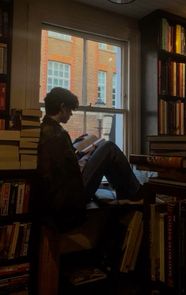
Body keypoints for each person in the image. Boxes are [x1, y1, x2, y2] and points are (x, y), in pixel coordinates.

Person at [37, 87, 143, 231]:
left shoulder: (47, 129)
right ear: (62, 107)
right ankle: (136, 193)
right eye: (70, 110)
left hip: (65, 193)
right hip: (71, 198)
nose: (71, 114)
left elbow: (62, 167)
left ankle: (126, 193)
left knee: (102, 150)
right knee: (108, 148)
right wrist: (84, 161)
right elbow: (69, 173)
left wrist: (84, 156)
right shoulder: (57, 135)